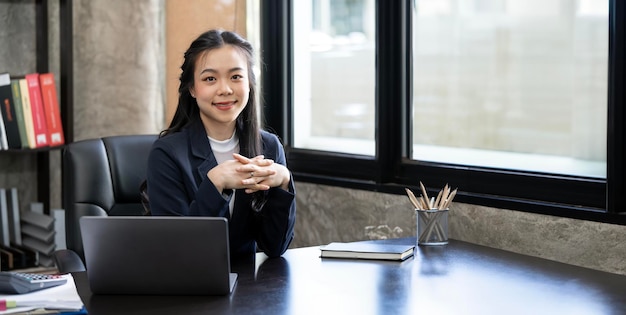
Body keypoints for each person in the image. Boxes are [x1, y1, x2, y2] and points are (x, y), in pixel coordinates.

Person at [146, 29, 296, 261]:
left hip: (250, 289)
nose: (225, 89)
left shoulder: (268, 146)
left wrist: (284, 182)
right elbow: (177, 250)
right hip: (191, 289)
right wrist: (215, 183)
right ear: (193, 89)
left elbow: (276, 248)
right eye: (210, 79)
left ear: (249, 84)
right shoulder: (166, 153)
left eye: (236, 77)